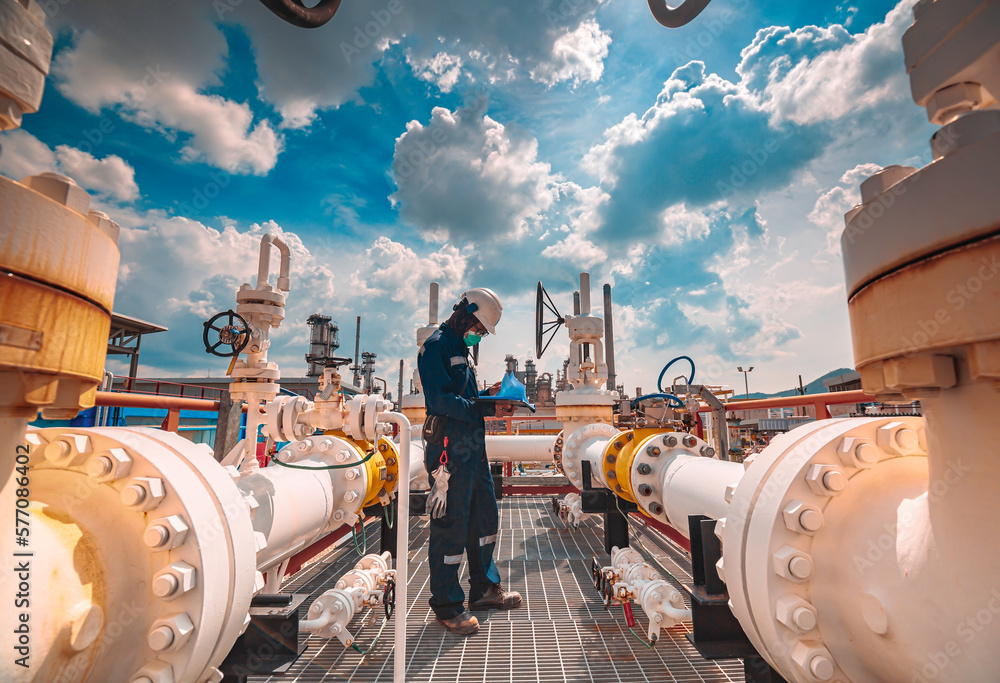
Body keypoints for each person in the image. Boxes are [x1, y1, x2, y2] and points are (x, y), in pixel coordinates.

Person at [417, 287, 522, 636]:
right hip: (448, 446)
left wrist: (490, 396)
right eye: (478, 325)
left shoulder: (463, 348)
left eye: (482, 330)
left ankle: (484, 591)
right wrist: (485, 408)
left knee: (483, 518)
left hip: (473, 447)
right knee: (450, 524)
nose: (479, 333)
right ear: (465, 312)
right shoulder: (436, 346)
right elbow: (441, 400)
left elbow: (466, 396)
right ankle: (447, 606)